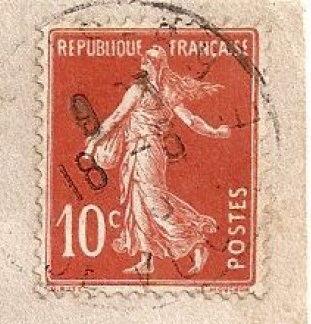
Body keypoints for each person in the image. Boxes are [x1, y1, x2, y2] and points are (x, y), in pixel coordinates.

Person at [87, 45, 232, 277]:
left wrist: (93, 143)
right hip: (142, 151)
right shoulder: (167, 90)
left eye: (146, 60)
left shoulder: (140, 90)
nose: (142, 62)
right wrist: (215, 132)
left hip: (146, 152)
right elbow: (191, 121)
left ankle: (195, 243)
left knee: (154, 203)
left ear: (152, 64)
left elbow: (115, 118)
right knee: (138, 204)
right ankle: (145, 261)